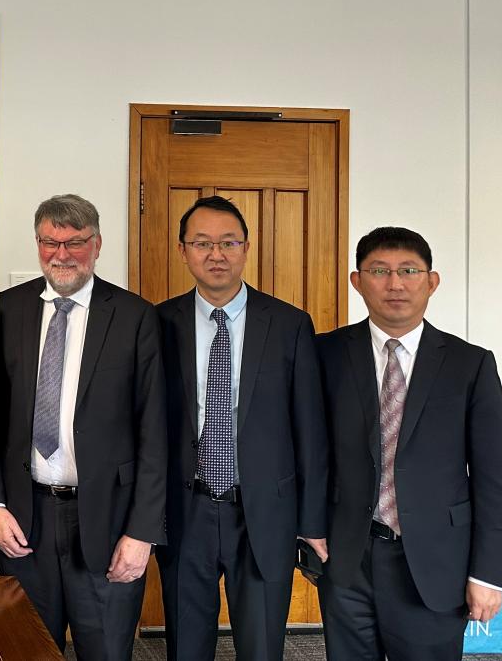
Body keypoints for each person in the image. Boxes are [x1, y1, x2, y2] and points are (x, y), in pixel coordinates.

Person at [0, 194, 167, 660]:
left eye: (75, 243)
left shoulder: (135, 316)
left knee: (106, 651)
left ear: (96, 245)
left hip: (107, 521)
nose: (61, 255)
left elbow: (155, 432)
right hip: (26, 519)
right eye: (50, 242)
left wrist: (142, 533)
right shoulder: (10, 308)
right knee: (28, 650)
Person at [317, 226, 502, 661]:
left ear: (432, 281)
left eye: (409, 270)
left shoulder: (470, 364)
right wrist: (308, 527)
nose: (395, 284)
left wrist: (488, 573)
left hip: (435, 561)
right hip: (347, 559)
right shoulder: (325, 354)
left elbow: (496, 479)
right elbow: (310, 450)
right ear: (357, 281)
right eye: (379, 271)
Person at [155, 195, 328, 661]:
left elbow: (310, 432)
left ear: (246, 248)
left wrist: (311, 522)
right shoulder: (158, 323)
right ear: (183, 250)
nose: (217, 254)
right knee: (186, 646)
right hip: (185, 509)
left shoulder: (289, 324)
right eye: (203, 243)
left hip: (263, 515)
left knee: (262, 646)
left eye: (229, 242)